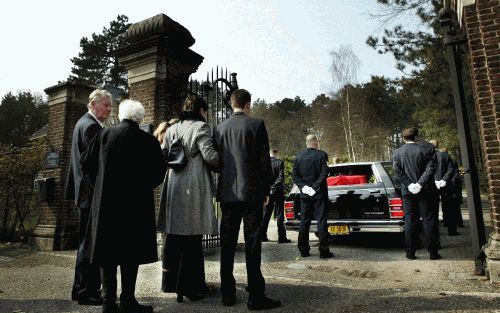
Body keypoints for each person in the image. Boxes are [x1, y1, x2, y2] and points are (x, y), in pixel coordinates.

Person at [81, 99, 166, 313]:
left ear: (120, 115)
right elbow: (158, 173)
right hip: (135, 206)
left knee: (107, 253)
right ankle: (128, 300)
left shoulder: (103, 136)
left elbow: (86, 165)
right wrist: (142, 186)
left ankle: (108, 303)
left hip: (107, 205)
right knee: (131, 253)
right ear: (140, 118)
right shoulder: (148, 141)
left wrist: (99, 186)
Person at [214, 89, 281, 310]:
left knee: (227, 243)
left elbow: (218, 162)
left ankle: (227, 293)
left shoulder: (220, 129)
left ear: (232, 103)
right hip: (252, 193)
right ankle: (255, 296)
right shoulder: (256, 125)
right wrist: (266, 190)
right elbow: (264, 162)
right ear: (247, 104)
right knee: (252, 244)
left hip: (228, 194)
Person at [160, 95, 219, 302]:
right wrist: (224, 165)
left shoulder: (172, 129)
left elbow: (164, 154)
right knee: (193, 236)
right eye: (206, 111)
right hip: (192, 185)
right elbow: (210, 156)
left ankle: (172, 284)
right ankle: (193, 288)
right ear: (201, 110)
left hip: (174, 183)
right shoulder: (202, 127)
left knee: (175, 236)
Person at [66, 89, 112, 305]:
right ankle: (87, 292)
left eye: (111, 106)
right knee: (90, 245)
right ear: (93, 104)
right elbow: (93, 166)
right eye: (106, 105)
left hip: (83, 193)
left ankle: (79, 289)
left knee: (85, 244)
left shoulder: (82, 123)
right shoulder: (91, 127)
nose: (110, 109)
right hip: (91, 194)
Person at [393, 128, 440, 260]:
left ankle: (410, 252)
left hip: (408, 192)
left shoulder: (397, 152)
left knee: (410, 221)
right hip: (425, 191)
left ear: (403, 138)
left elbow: (397, 172)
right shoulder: (425, 150)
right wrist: (420, 184)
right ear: (416, 137)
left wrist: (410, 185)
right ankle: (433, 253)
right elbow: (430, 169)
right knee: (428, 221)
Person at [291, 135, 333, 259]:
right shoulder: (322, 155)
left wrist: (304, 187)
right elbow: (324, 173)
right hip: (319, 193)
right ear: (315, 142)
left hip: (305, 194)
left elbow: (294, 175)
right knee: (321, 221)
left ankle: (303, 250)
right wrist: (315, 187)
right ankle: (324, 251)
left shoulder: (298, 157)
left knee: (304, 221)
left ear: (306, 143)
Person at [262, 149, 291, 243]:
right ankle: (281, 237)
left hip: (267, 192)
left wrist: (268, 188)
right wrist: (274, 187)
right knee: (280, 215)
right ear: (276, 154)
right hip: (278, 191)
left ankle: (262, 236)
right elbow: (281, 178)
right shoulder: (280, 162)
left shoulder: (265, 163)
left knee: (266, 215)